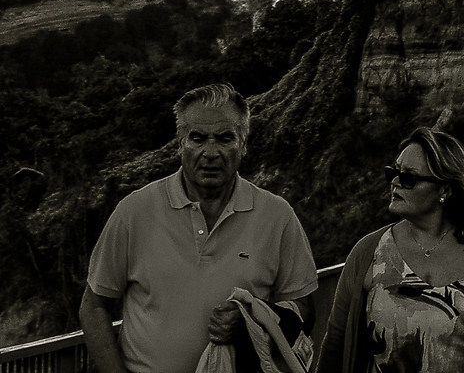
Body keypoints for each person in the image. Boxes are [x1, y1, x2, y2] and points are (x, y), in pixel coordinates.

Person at [81, 83, 319, 373]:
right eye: (197, 138)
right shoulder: (134, 211)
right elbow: (93, 306)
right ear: (180, 143)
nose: (210, 152)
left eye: (225, 138)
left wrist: (251, 320)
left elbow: (304, 308)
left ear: (244, 144)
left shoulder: (277, 215)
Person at [317, 126, 464, 373]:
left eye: (408, 177)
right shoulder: (368, 252)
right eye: (393, 172)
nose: (395, 182)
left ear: (445, 189)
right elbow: (336, 344)